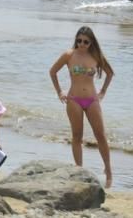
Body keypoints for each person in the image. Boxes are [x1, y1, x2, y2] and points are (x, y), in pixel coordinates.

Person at [49, 26, 114, 187]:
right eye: (79, 40)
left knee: (101, 136)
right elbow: (52, 72)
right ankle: (79, 170)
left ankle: (108, 170)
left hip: (92, 100)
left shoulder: (96, 56)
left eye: (85, 41)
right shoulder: (68, 55)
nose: (81, 44)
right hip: (74, 100)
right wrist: (59, 92)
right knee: (77, 136)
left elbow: (110, 73)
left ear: (91, 42)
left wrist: (103, 92)